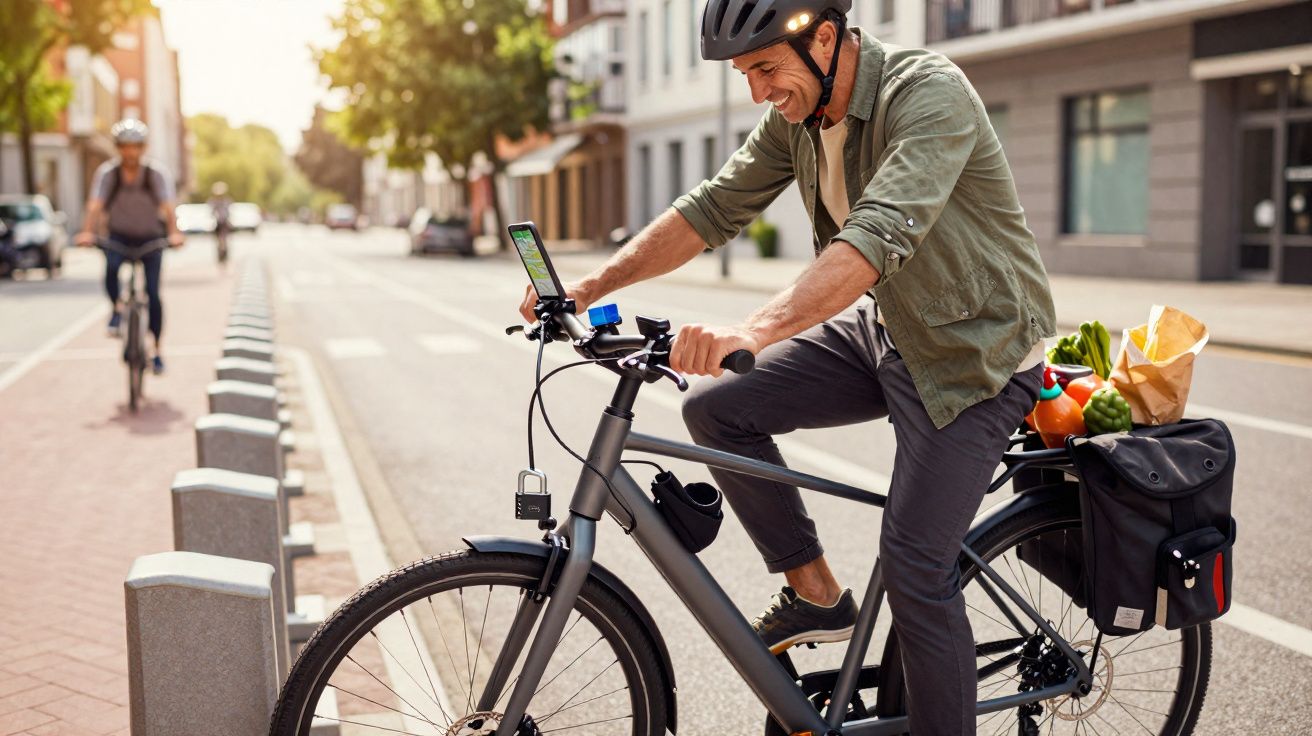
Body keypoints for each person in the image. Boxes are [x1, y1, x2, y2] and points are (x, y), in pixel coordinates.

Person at [517, 1, 1056, 732]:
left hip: (977, 352)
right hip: (888, 328)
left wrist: (754, 329)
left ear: (825, 38)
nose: (757, 92)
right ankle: (817, 595)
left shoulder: (928, 92)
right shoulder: (798, 118)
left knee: (917, 570)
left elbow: (876, 237)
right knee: (716, 409)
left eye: (766, 68)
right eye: (746, 74)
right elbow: (711, 209)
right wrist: (589, 286)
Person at [75, 119, 184, 375]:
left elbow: (168, 207)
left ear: (143, 148)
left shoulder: (155, 174)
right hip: (119, 236)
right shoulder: (108, 174)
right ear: (118, 148)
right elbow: (95, 205)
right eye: (124, 146)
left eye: (135, 146)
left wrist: (174, 233)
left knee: (153, 293)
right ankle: (117, 309)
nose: (130, 152)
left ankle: (157, 349)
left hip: (150, 237)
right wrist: (88, 231)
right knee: (111, 268)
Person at [209, 181, 233, 262]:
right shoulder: (213, 201)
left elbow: (228, 212)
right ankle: (221, 252)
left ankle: (224, 252)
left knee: (224, 238)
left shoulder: (227, 201)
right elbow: (211, 212)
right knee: (219, 239)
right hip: (217, 222)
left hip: (224, 222)